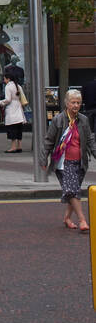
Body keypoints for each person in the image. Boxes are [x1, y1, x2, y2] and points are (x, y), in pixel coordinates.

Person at [42, 88, 96, 231]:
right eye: (73, 102)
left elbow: (90, 140)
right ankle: (83, 220)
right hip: (63, 163)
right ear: (67, 103)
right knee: (72, 190)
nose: (76, 105)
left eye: (78, 102)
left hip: (80, 162)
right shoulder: (58, 120)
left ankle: (66, 218)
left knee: (73, 191)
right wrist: (44, 159)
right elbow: (48, 140)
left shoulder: (83, 120)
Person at [0, 73, 26, 153]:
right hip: (19, 108)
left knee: (12, 129)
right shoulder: (18, 86)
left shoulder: (8, 87)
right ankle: (19, 146)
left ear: (8, 79)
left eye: (4, 79)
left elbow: (8, 99)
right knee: (19, 129)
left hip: (11, 109)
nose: (4, 81)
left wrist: (1, 102)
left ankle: (13, 147)